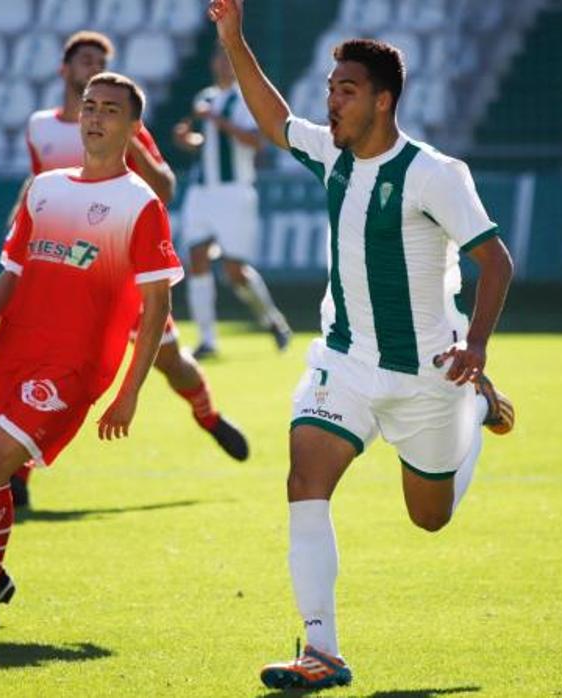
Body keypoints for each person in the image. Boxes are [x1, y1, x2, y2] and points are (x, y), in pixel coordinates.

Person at [208, 1, 516, 689]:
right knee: (303, 480)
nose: (331, 101)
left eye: (345, 90)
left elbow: (494, 261)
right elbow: (273, 120)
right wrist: (233, 39)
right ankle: (321, 651)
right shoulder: (329, 155)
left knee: (428, 519)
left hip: (427, 375)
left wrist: (480, 350)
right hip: (342, 362)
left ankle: (474, 407)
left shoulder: (435, 173)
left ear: (382, 99)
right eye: (328, 89)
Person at [0, 72, 184, 635]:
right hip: (8, 355)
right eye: (89, 106)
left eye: (111, 109)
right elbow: (11, 272)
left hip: (71, 368)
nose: (94, 117)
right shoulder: (45, 187)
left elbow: (157, 302)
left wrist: (128, 393)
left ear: (135, 128)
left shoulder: (139, 204)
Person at [12, 30, 248, 512]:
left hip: (121, 275)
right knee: (46, 370)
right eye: (84, 60)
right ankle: (18, 473)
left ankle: (208, 416)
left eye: (100, 61)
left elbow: (165, 188)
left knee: (171, 363)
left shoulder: (129, 130)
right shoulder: (41, 128)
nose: (91, 67)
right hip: (64, 274)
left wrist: (134, 146)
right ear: (66, 70)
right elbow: (39, 188)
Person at [172, 47, 291, 357]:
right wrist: (188, 140)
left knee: (234, 270)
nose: (224, 64)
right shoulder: (206, 96)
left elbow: (255, 141)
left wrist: (215, 120)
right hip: (201, 191)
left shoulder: (245, 99)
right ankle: (207, 339)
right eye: (220, 58)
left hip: (234, 191)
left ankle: (272, 319)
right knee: (196, 255)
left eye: (229, 59)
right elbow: (208, 145)